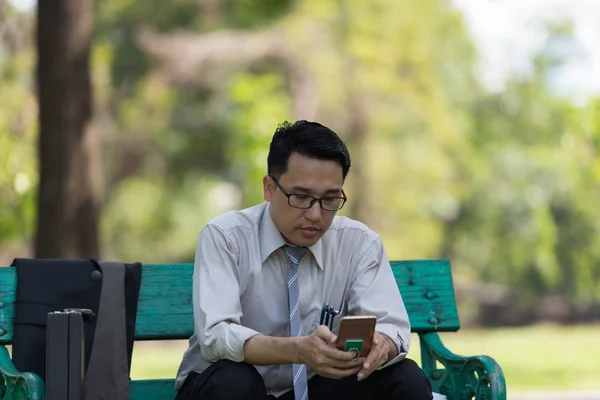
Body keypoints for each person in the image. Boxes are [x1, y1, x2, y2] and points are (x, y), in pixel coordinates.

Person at [174, 120, 433, 400]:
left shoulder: (358, 242)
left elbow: (392, 328)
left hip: (315, 388)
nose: (315, 215)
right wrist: (297, 349)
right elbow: (216, 337)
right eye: (301, 197)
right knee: (235, 382)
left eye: (330, 199)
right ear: (270, 188)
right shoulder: (225, 237)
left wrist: (382, 344)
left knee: (404, 378)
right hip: (228, 390)